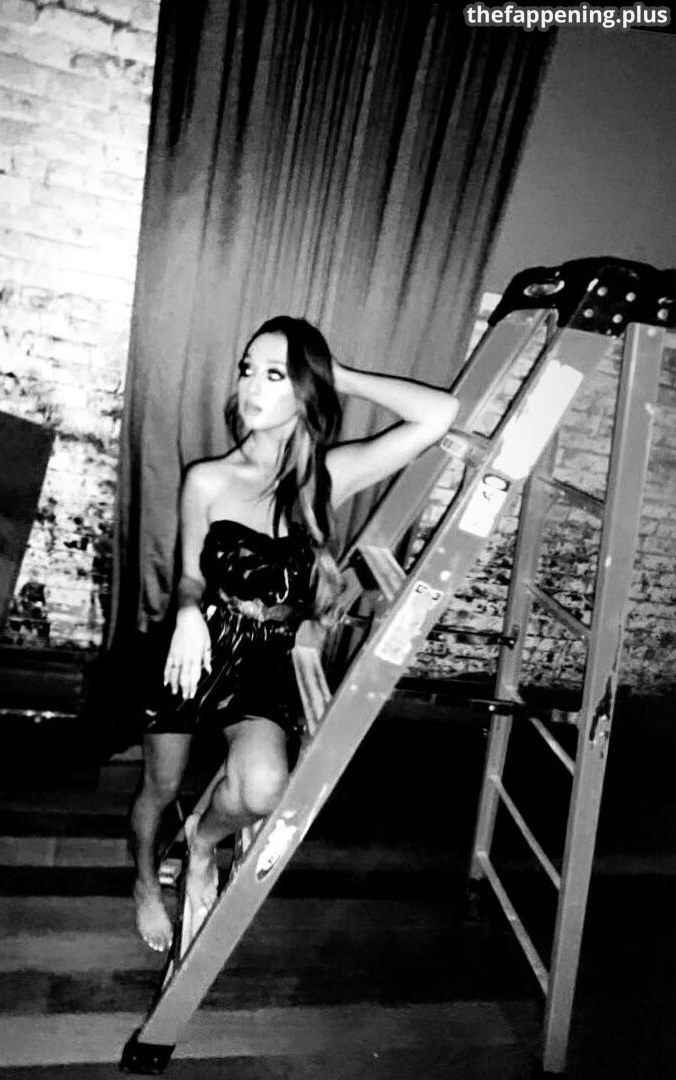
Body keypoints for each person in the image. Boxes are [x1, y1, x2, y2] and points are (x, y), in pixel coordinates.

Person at [129, 316, 459, 952]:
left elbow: (439, 415)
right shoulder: (208, 478)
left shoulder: (327, 477)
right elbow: (190, 576)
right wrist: (188, 613)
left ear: (305, 390)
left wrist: (340, 375)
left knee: (261, 788)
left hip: (265, 659)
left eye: (275, 374)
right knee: (160, 786)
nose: (251, 386)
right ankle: (144, 880)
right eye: (247, 369)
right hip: (198, 645)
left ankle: (201, 842)